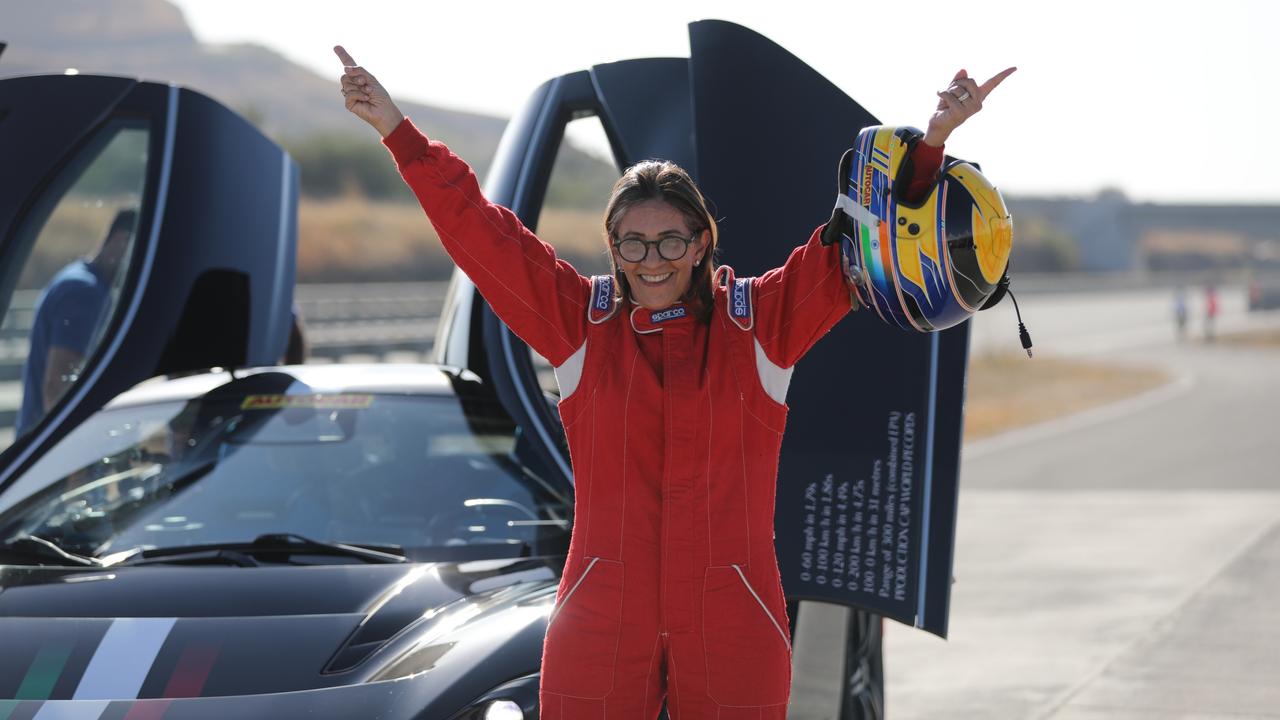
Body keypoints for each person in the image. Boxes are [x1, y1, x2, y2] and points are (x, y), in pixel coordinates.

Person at [336, 45, 1012, 719]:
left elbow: (862, 244)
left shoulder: (763, 324)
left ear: (700, 243)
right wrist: (399, 132)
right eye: (632, 242)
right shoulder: (579, 324)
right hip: (603, 615)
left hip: (735, 615)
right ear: (613, 248)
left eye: (669, 241)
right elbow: (480, 233)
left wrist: (931, 145)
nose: (651, 260)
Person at [16, 208, 134, 436]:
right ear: (121, 240)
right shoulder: (85, 291)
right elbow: (57, 386)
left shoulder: (77, 278)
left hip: (38, 440)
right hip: (51, 449)